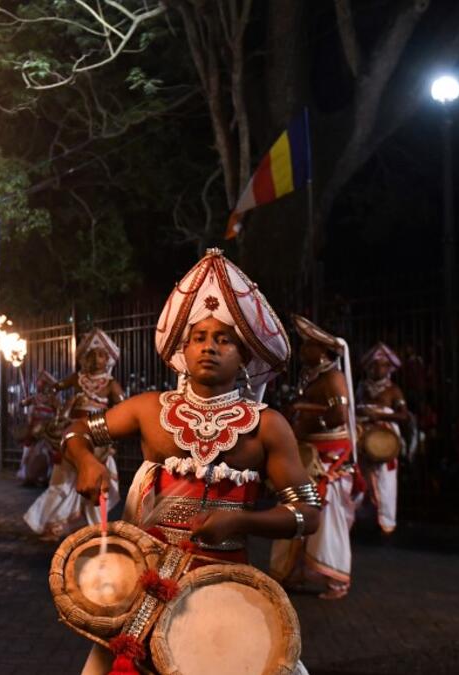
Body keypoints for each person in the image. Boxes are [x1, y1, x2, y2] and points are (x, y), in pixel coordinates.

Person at [63, 250, 318, 674]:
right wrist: (85, 460)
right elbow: (76, 433)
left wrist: (241, 522)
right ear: (184, 349)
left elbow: (307, 514)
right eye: (199, 337)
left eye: (224, 339)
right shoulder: (148, 409)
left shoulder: (267, 426)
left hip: (225, 584)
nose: (209, 347)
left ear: (246, 356)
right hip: (143, 584)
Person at [269, 315, 361, 600]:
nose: (301, 351)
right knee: (294, 507)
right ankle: (289, 572)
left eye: (307, 346)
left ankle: (336, 578)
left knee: (326, 517)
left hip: (326, 459)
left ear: (322, 350)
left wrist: (305, 417)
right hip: (307, 453)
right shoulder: (314, 377)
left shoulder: (333, 378)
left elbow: (337, 416)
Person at [23, 330, 123, 539]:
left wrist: (112, 434)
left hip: (99, 439)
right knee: (62, 482)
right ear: (84, 359)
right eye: (91, 355)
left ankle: (99, 529)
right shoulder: (77, 380)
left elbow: (122, 412)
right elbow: (54, 389)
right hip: (72, 437)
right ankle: (53, 524)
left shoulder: (112, 385)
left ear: (109, 359)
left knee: (97, 486)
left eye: (101, 355)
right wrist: (51, 399)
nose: (96, 360)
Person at [356, 342, 409, 535]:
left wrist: (380, 416)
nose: (377, 368)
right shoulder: (362, 387)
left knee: (385, 479)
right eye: (373, 365)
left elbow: (404, 415)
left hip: (383, 439)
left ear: (389, 368)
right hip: (362, 436)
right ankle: (355, 515)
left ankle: (386, 520)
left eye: (382, 365)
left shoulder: (393, 390)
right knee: (359, 475)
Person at [16, 370, 60, 487]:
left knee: (49, 453)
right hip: (34, 430)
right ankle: (27, 476)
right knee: (28, 451)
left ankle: (47, 477)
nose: (39, 385)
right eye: (38, 383)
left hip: (48, 431)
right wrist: (23, 402)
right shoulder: (35, 398)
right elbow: (23, 403)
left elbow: (59, 413)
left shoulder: (52, 400)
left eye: (42, 383)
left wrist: (53, 425)